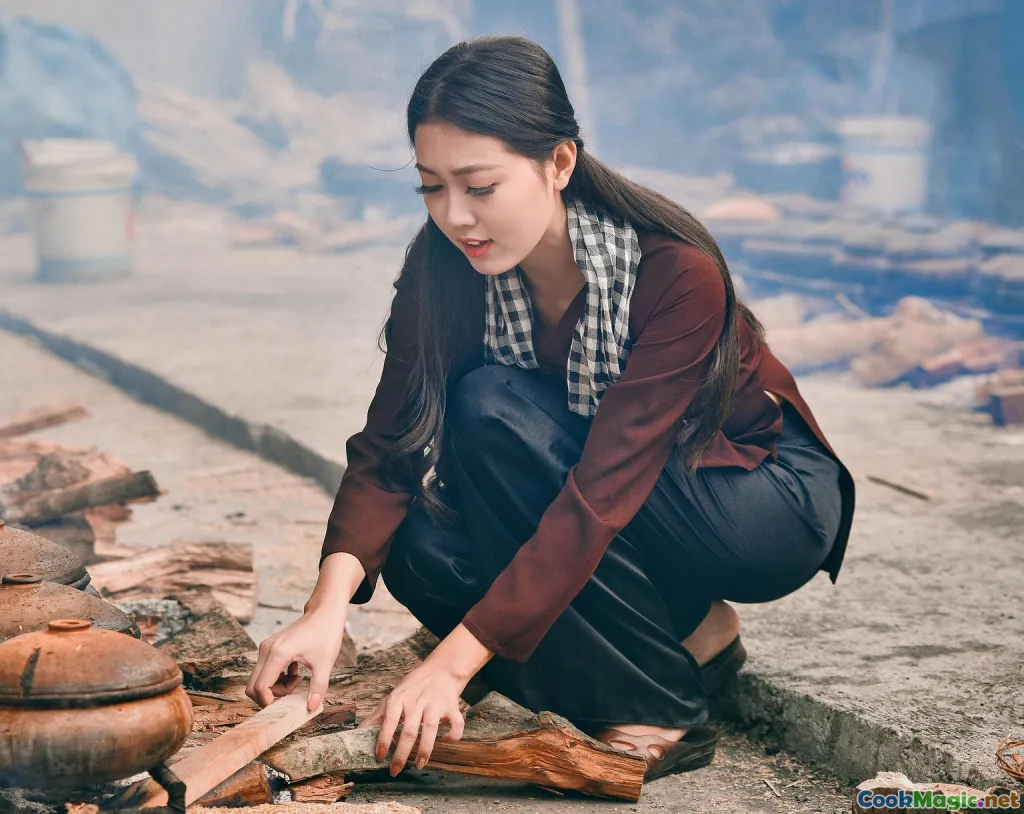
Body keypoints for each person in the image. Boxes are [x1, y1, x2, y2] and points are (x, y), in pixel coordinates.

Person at [246, 35, 855, 783]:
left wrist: (450, 663)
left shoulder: (671, 271)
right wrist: (326, 610)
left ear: (558, 162)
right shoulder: (445, 269)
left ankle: (654, 706)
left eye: (480, 186)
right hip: (617, 494)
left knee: (492, 408)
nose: (455, 216)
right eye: (431, 187)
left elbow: (601, 491)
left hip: (751, 500)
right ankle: (691, 635)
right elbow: (390, 445)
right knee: (413, 541)